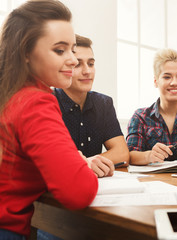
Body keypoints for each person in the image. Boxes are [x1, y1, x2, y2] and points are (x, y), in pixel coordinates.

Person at [0, 1, 99, 239]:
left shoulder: (11, 94)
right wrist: (79, 164)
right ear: (25, 53)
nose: (74, 61)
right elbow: (78, 192)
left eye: (72, 49)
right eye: (59, 50)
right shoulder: (36, 102)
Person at [54, 34, 129, 177]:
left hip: (97, 185)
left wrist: (87, 164)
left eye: (91, 64)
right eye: (77, 64)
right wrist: (83, 165)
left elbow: (122, 154)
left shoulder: (104, 103)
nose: (87, 71)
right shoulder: (48, 102)